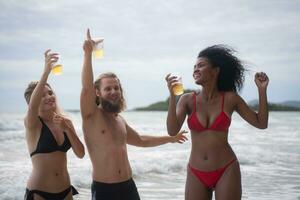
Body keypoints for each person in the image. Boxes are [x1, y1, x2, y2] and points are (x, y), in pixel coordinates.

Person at [81, 29, 188, 200]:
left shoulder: (119, 120)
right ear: (97, 93)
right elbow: (86, 87)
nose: (114, 91)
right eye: (107, 88)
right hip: (105, 190)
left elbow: (140, 140)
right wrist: (88, 54)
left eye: (116, 88)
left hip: (128, 187)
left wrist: (171, 139)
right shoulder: (91, 117)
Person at [165, 45, 269, 200]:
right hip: (196, 171)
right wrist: (173, 97)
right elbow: (172, 130)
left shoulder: (230, 99)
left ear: (215, 71)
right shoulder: (187, 100)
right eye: (194, 67)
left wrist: (262, 90)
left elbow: (261, 123)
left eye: (201, 65)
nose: (195, 70)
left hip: (226, 169)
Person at [24, 49, 85, 200]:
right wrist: (46, 73)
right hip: (39, 193)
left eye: (50, 93)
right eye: (43, 95)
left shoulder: (64, 121)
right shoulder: (33, 124)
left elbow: (81, 153)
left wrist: (67, 129)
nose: (49, 97)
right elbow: (33, 107)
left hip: (66, 191)